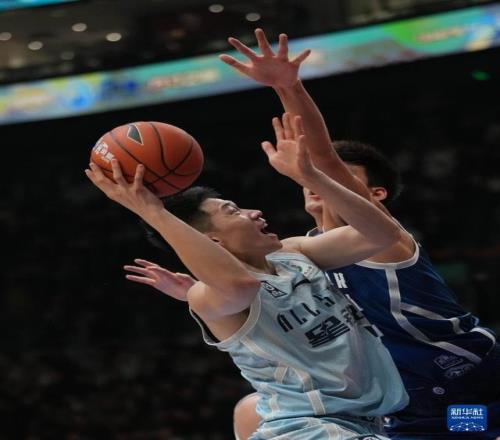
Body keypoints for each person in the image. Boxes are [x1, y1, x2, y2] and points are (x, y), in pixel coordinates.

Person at [128, 29, 500, 439]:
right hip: (398, 402)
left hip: (463, 385)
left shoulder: (383, 240)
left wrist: (289, 88)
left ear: (374, 194)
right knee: (250, 411)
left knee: (474, 430)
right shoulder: (300, 253)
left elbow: (322, 157)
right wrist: (201, 292)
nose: (318, 177)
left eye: (340, 176)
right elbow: (251, 293)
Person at [86, 114, 408, 439]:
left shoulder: (294, 252)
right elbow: (240, 285)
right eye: (234, 212)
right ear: (213, 241)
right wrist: (151, 210)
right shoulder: (205, 296)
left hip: (366, 423)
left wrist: (312, 177)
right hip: (307, 429)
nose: (254, 212)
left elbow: (383, 233)